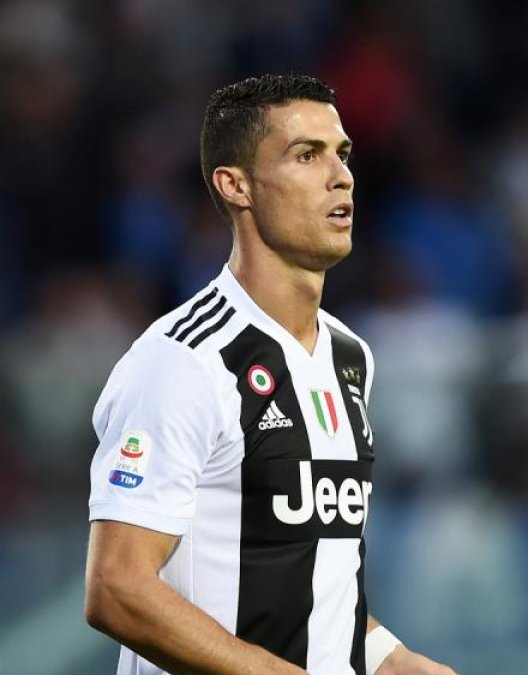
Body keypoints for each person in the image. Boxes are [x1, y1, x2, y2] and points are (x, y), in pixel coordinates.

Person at [84, 74, 457, 675]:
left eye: (343, 154)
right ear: (236, 186)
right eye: (306, 155)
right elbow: (117, 589)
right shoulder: (181, 362)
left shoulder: (350, 356)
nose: (341, 176)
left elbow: (314, 582)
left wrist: (400, 662)